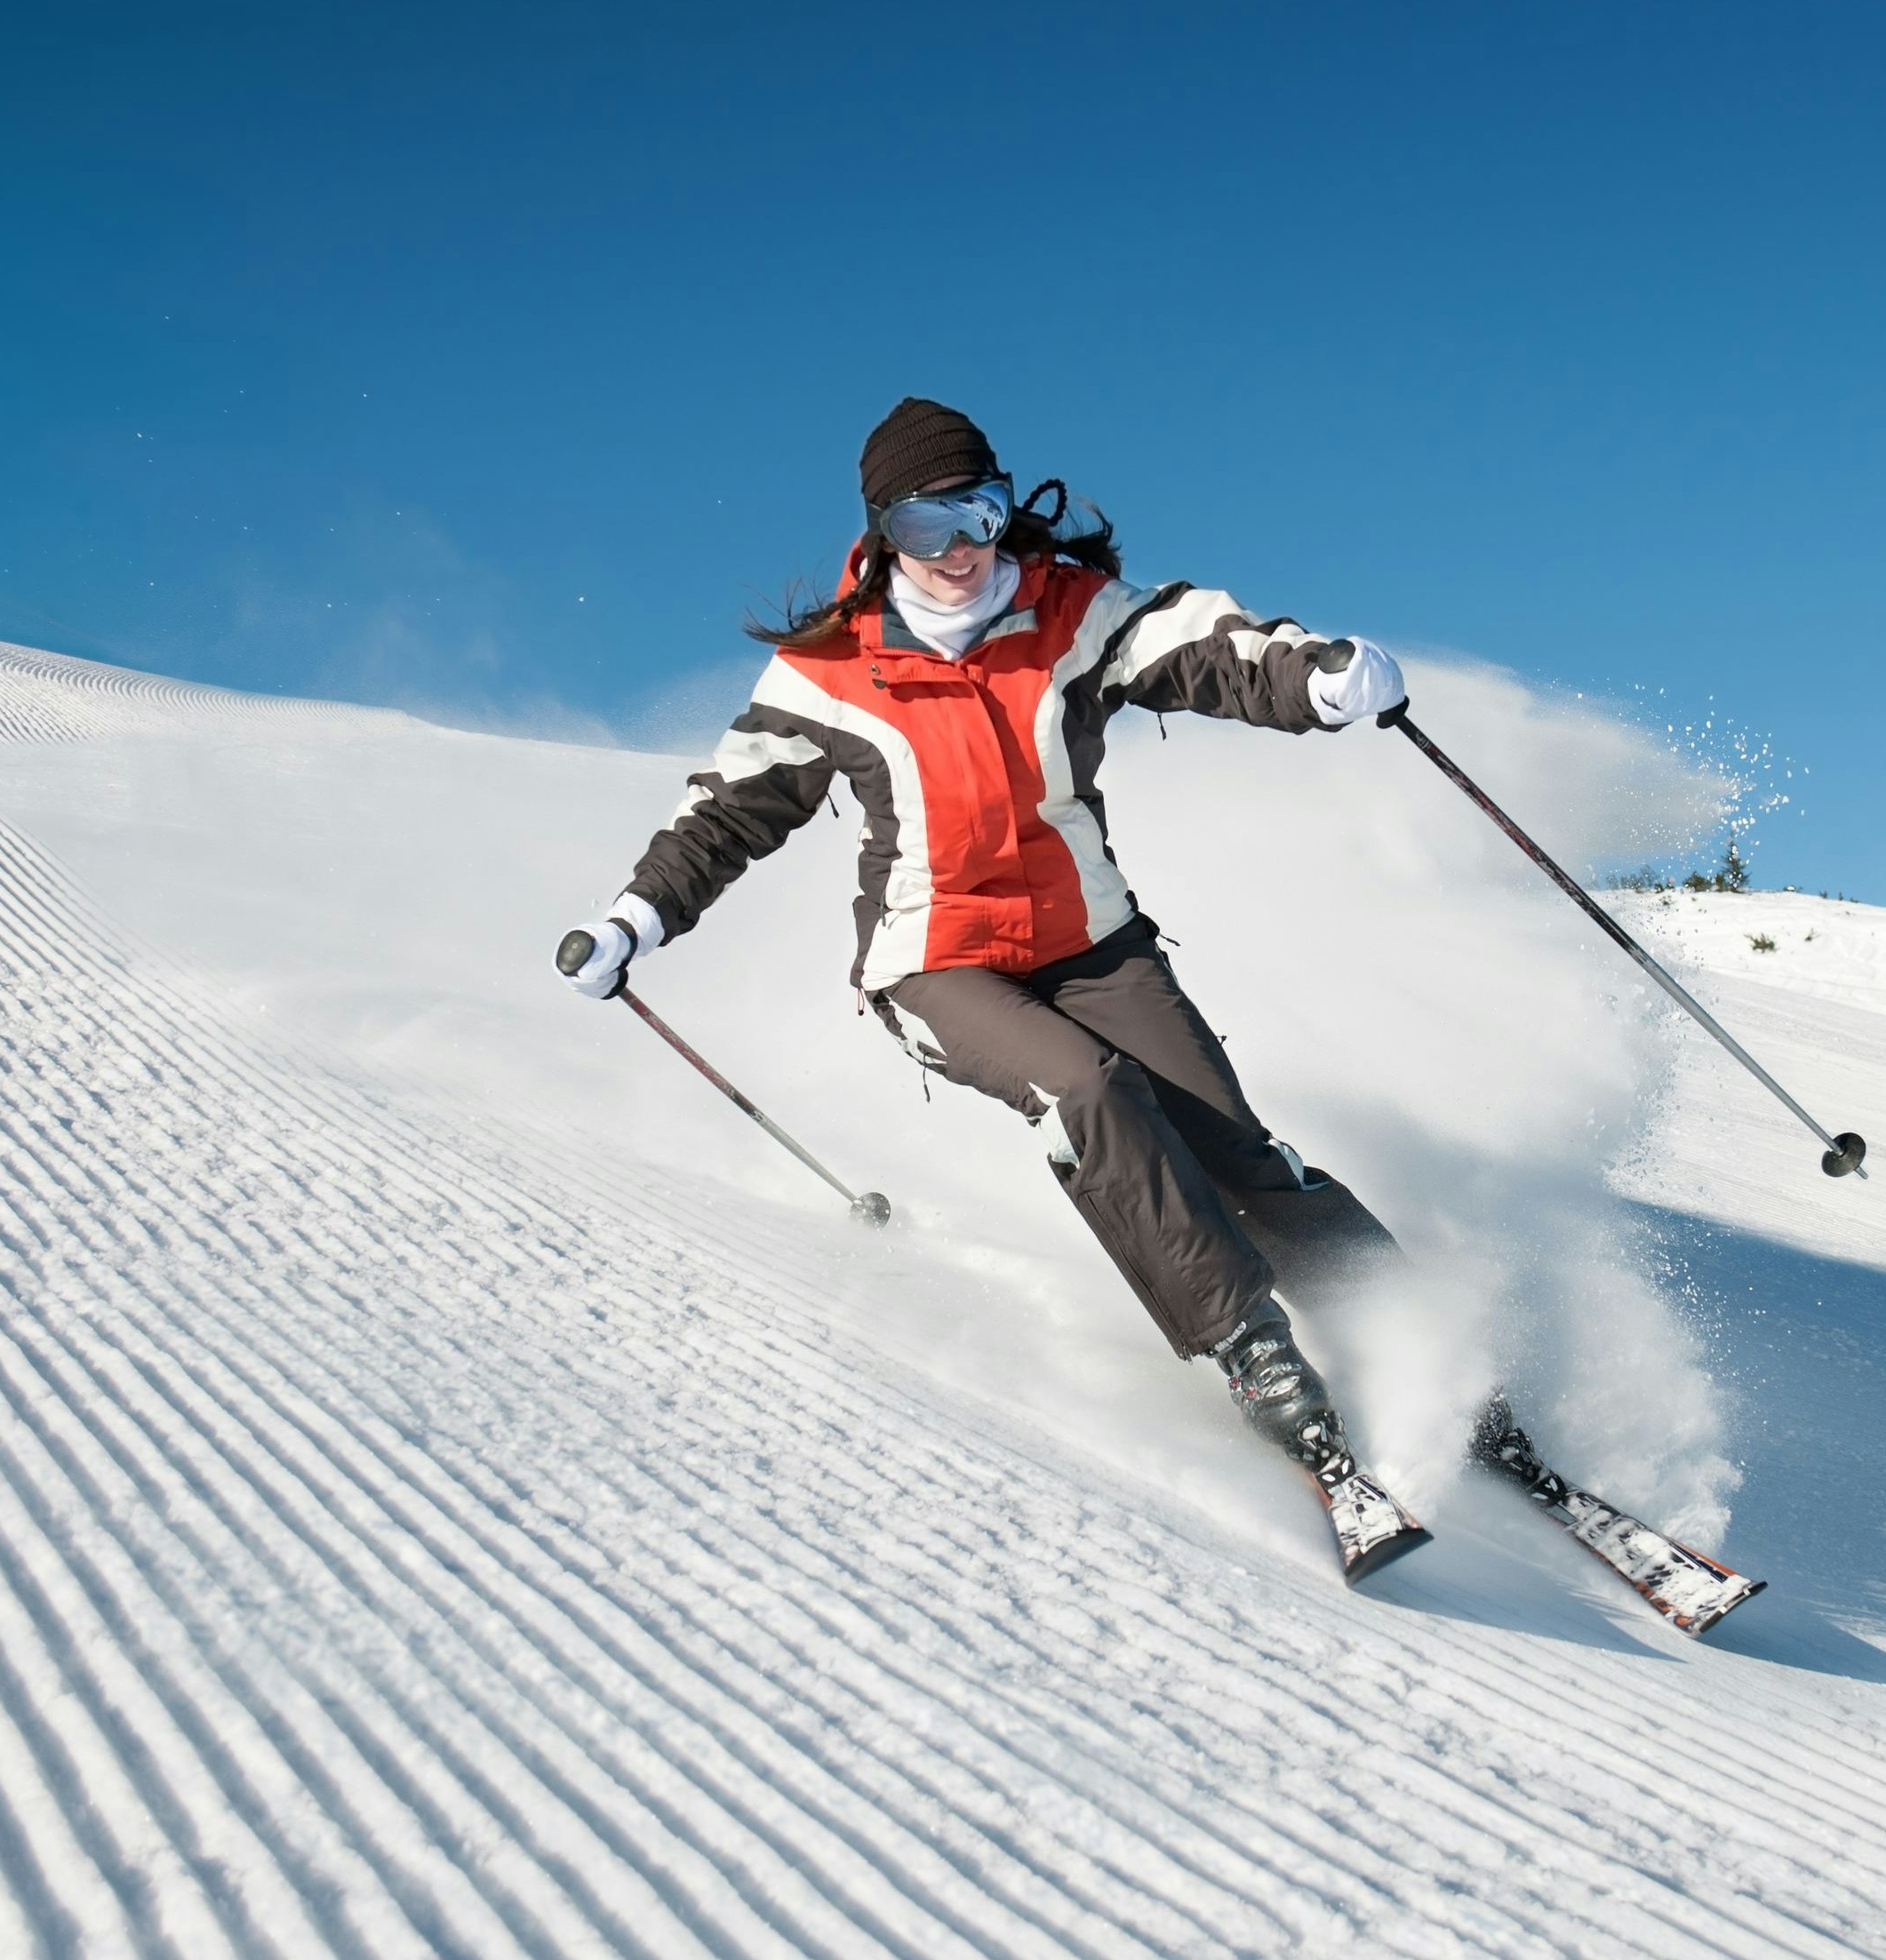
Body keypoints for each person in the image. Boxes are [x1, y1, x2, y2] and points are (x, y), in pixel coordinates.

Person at [552, 399, 1450, 1563]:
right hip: (934, 964)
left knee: (1235, 1147)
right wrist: (636, 916)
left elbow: (1207, 649)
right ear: (883, 532)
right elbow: (728, 808)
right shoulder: (828, 668)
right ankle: (1258, 1358)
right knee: (1088, 1095)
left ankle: (1406, 1323)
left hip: (1093, 942)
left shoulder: (1073, 616)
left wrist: (1315, 677)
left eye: (976, 510)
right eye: (926, 524)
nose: (958, 546)